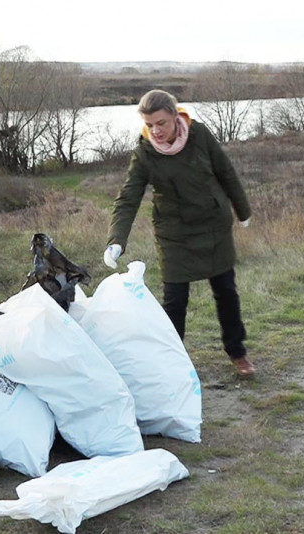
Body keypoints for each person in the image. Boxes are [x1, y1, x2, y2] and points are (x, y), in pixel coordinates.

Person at [103, 89, 255, 376]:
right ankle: (172, 363)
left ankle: (237, 352)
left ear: (176, 116)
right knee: (175, 300)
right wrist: (116, 240)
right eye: (149, 125)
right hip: (174, 234)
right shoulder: (145, 154)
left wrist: (243, 210)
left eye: (160, 123)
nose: (155, 131)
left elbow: (226, 172)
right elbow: (128, 196)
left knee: (226, 291)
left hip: (213, 226)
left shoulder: (199, 136)